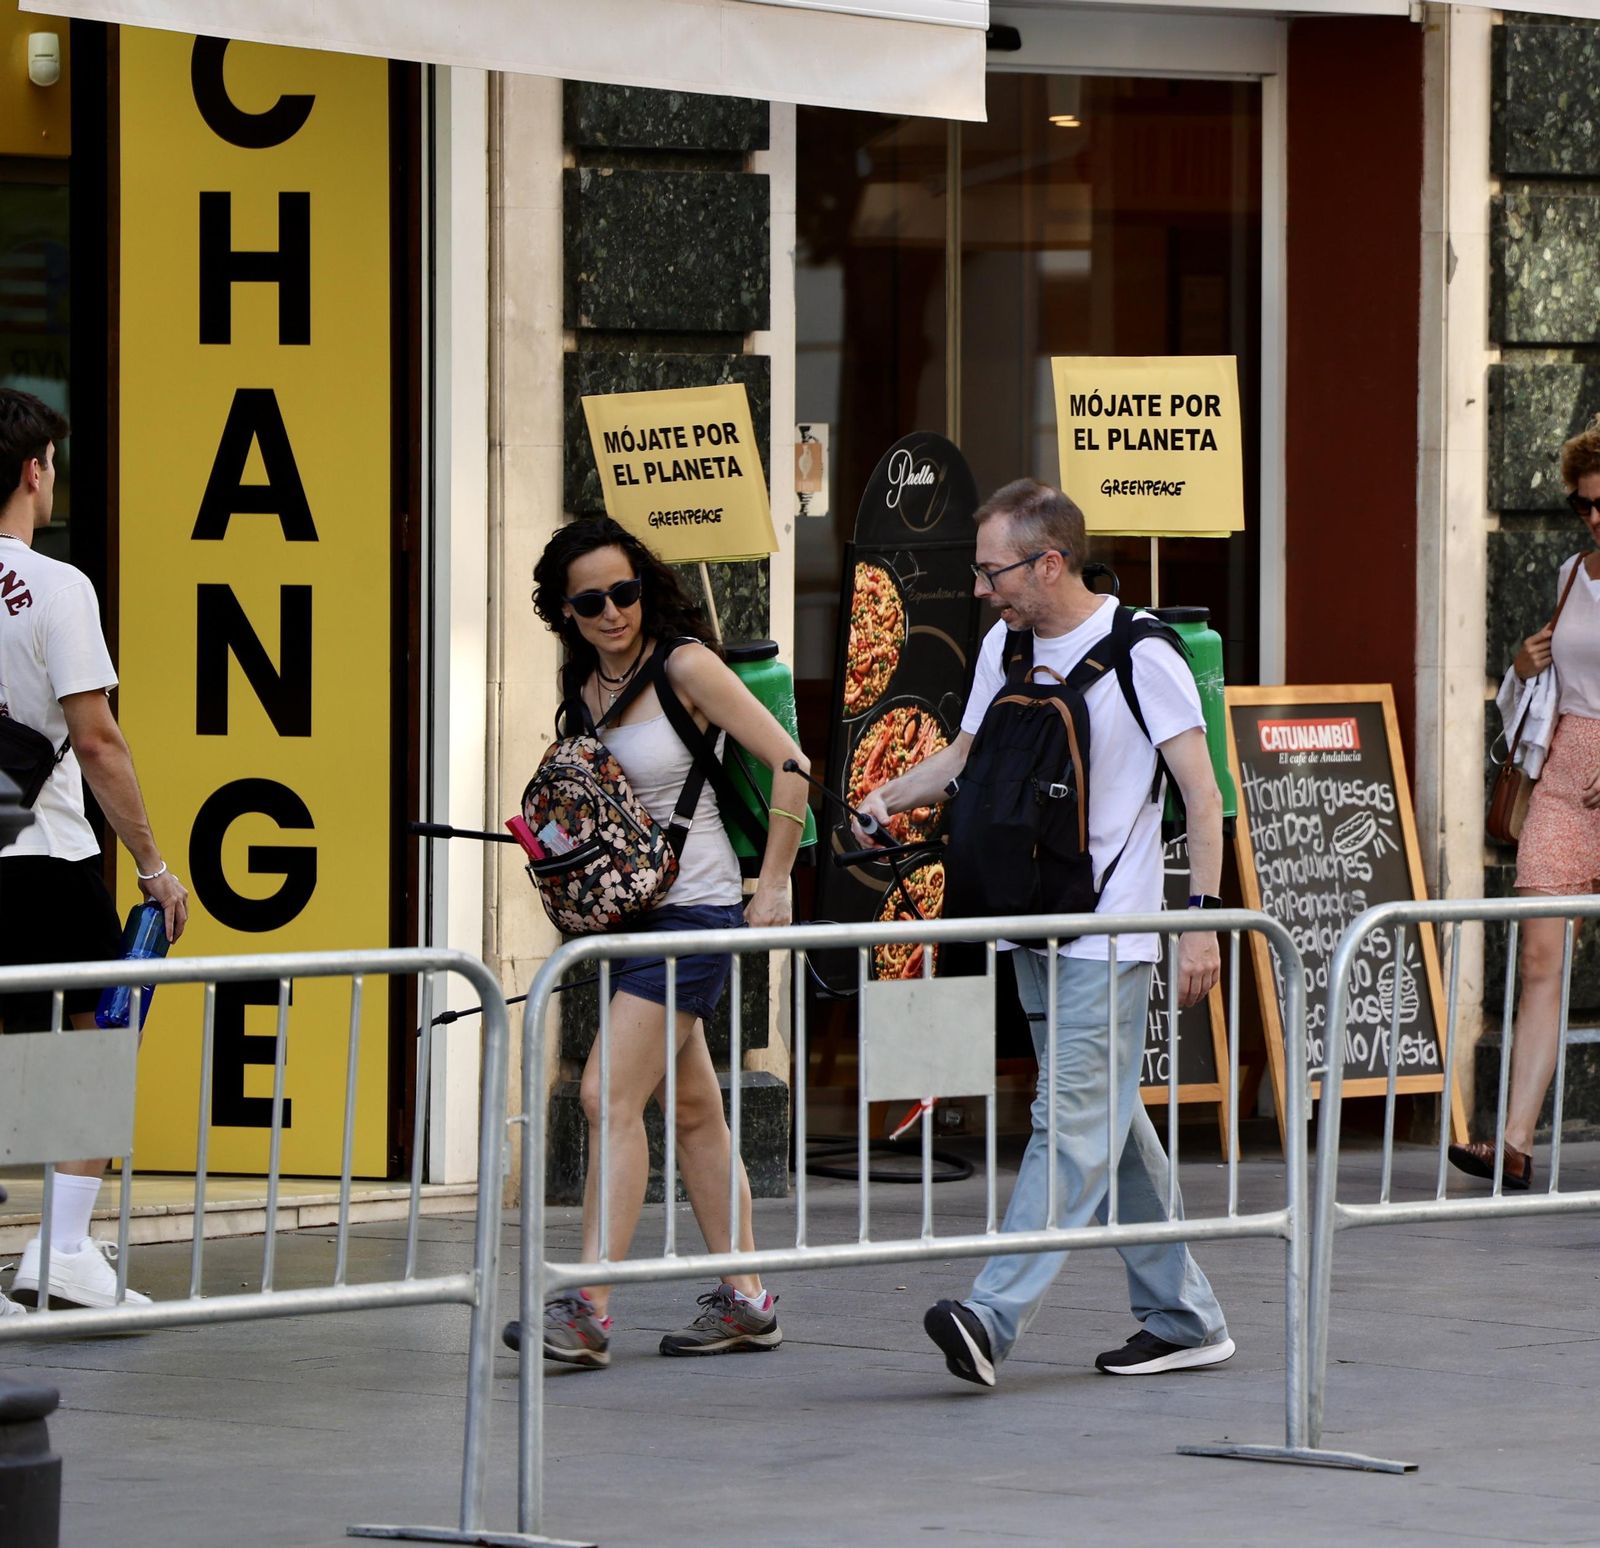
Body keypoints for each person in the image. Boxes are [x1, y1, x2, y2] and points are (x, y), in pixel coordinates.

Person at [853, 478, 1234, 1386]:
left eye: (994, 572)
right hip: (1032, 921)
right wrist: (888, 799)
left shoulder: (1143, 652)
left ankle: (991, 1317)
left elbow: (1203, 793)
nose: (981, 588)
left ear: (1049, 563)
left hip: (1111, 931)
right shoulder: (1005, 645)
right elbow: (964, 758)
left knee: (1067, 1121)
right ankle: (1185, 1318)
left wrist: (1201, 923)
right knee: (1107, 1120)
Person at [503, 515, 811, 1367]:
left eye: (624, 592)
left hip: (696, 914)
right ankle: (746, 1300)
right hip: (629, 919)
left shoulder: (685, 665)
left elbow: (791, 765)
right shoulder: (584, 683)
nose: (612, 612)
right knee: (694, 1110)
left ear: (645, 587)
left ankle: (588, 1308)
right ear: (565, 610)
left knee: (605, 1097)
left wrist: (772, 885)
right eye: (590, 601)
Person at [0, 387, 188, 1316]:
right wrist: (153, 865)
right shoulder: (55, 587)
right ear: (34, 472)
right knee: (95, 1043)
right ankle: (65, 1248)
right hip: (42, 855)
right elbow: (98, 740)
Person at [1450, 417, 1600, 1192]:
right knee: (1540, 960)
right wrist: (1521, 663)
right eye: (1584, 504)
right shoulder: (1572, 576)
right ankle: (1512, 1146)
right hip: (1566, 777)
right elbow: (1550, 685)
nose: (1594, 516)